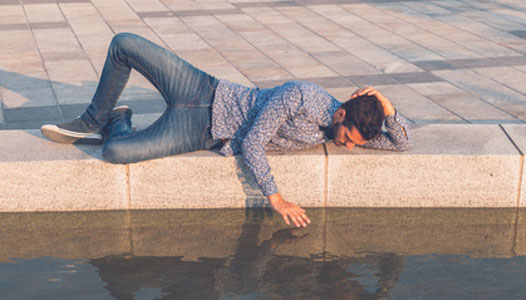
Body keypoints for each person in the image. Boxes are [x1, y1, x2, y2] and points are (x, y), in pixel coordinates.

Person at [41, 33, 412, 229]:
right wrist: (277, 199)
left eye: (353, 144)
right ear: (340, 114)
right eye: (347, 138)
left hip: (200, 132)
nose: (347, 147)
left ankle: (118, 118)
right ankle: (93, 119)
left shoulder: (350, 127)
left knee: (115, 152)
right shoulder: (301, 95)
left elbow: (401, 144)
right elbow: (253, 143)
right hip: (203, 89)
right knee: (124, 44)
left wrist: (387, 105)